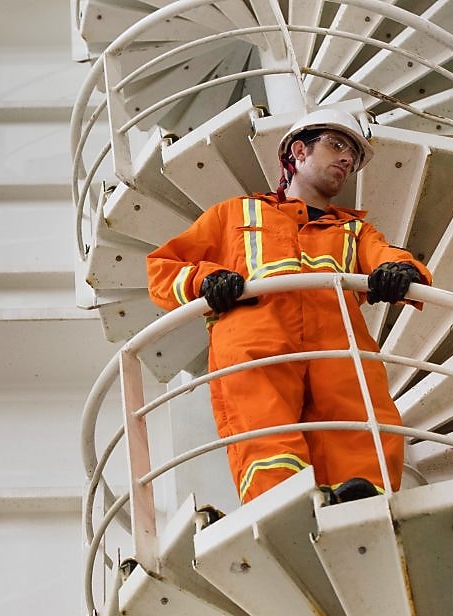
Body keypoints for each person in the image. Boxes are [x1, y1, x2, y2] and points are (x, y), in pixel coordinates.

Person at [145, 107, 431, 504]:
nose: (346, 159)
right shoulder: (236, 214)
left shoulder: (353, 231)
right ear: (298, 152)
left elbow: (389, 256)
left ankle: (364, 507)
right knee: (265, 428)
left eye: (352, 154)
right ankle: (281, 506)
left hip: (338, 345)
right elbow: (162, 267)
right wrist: (205, 280)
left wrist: (403, 274)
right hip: (255, 342)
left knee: (360, 422)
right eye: (335, 145)